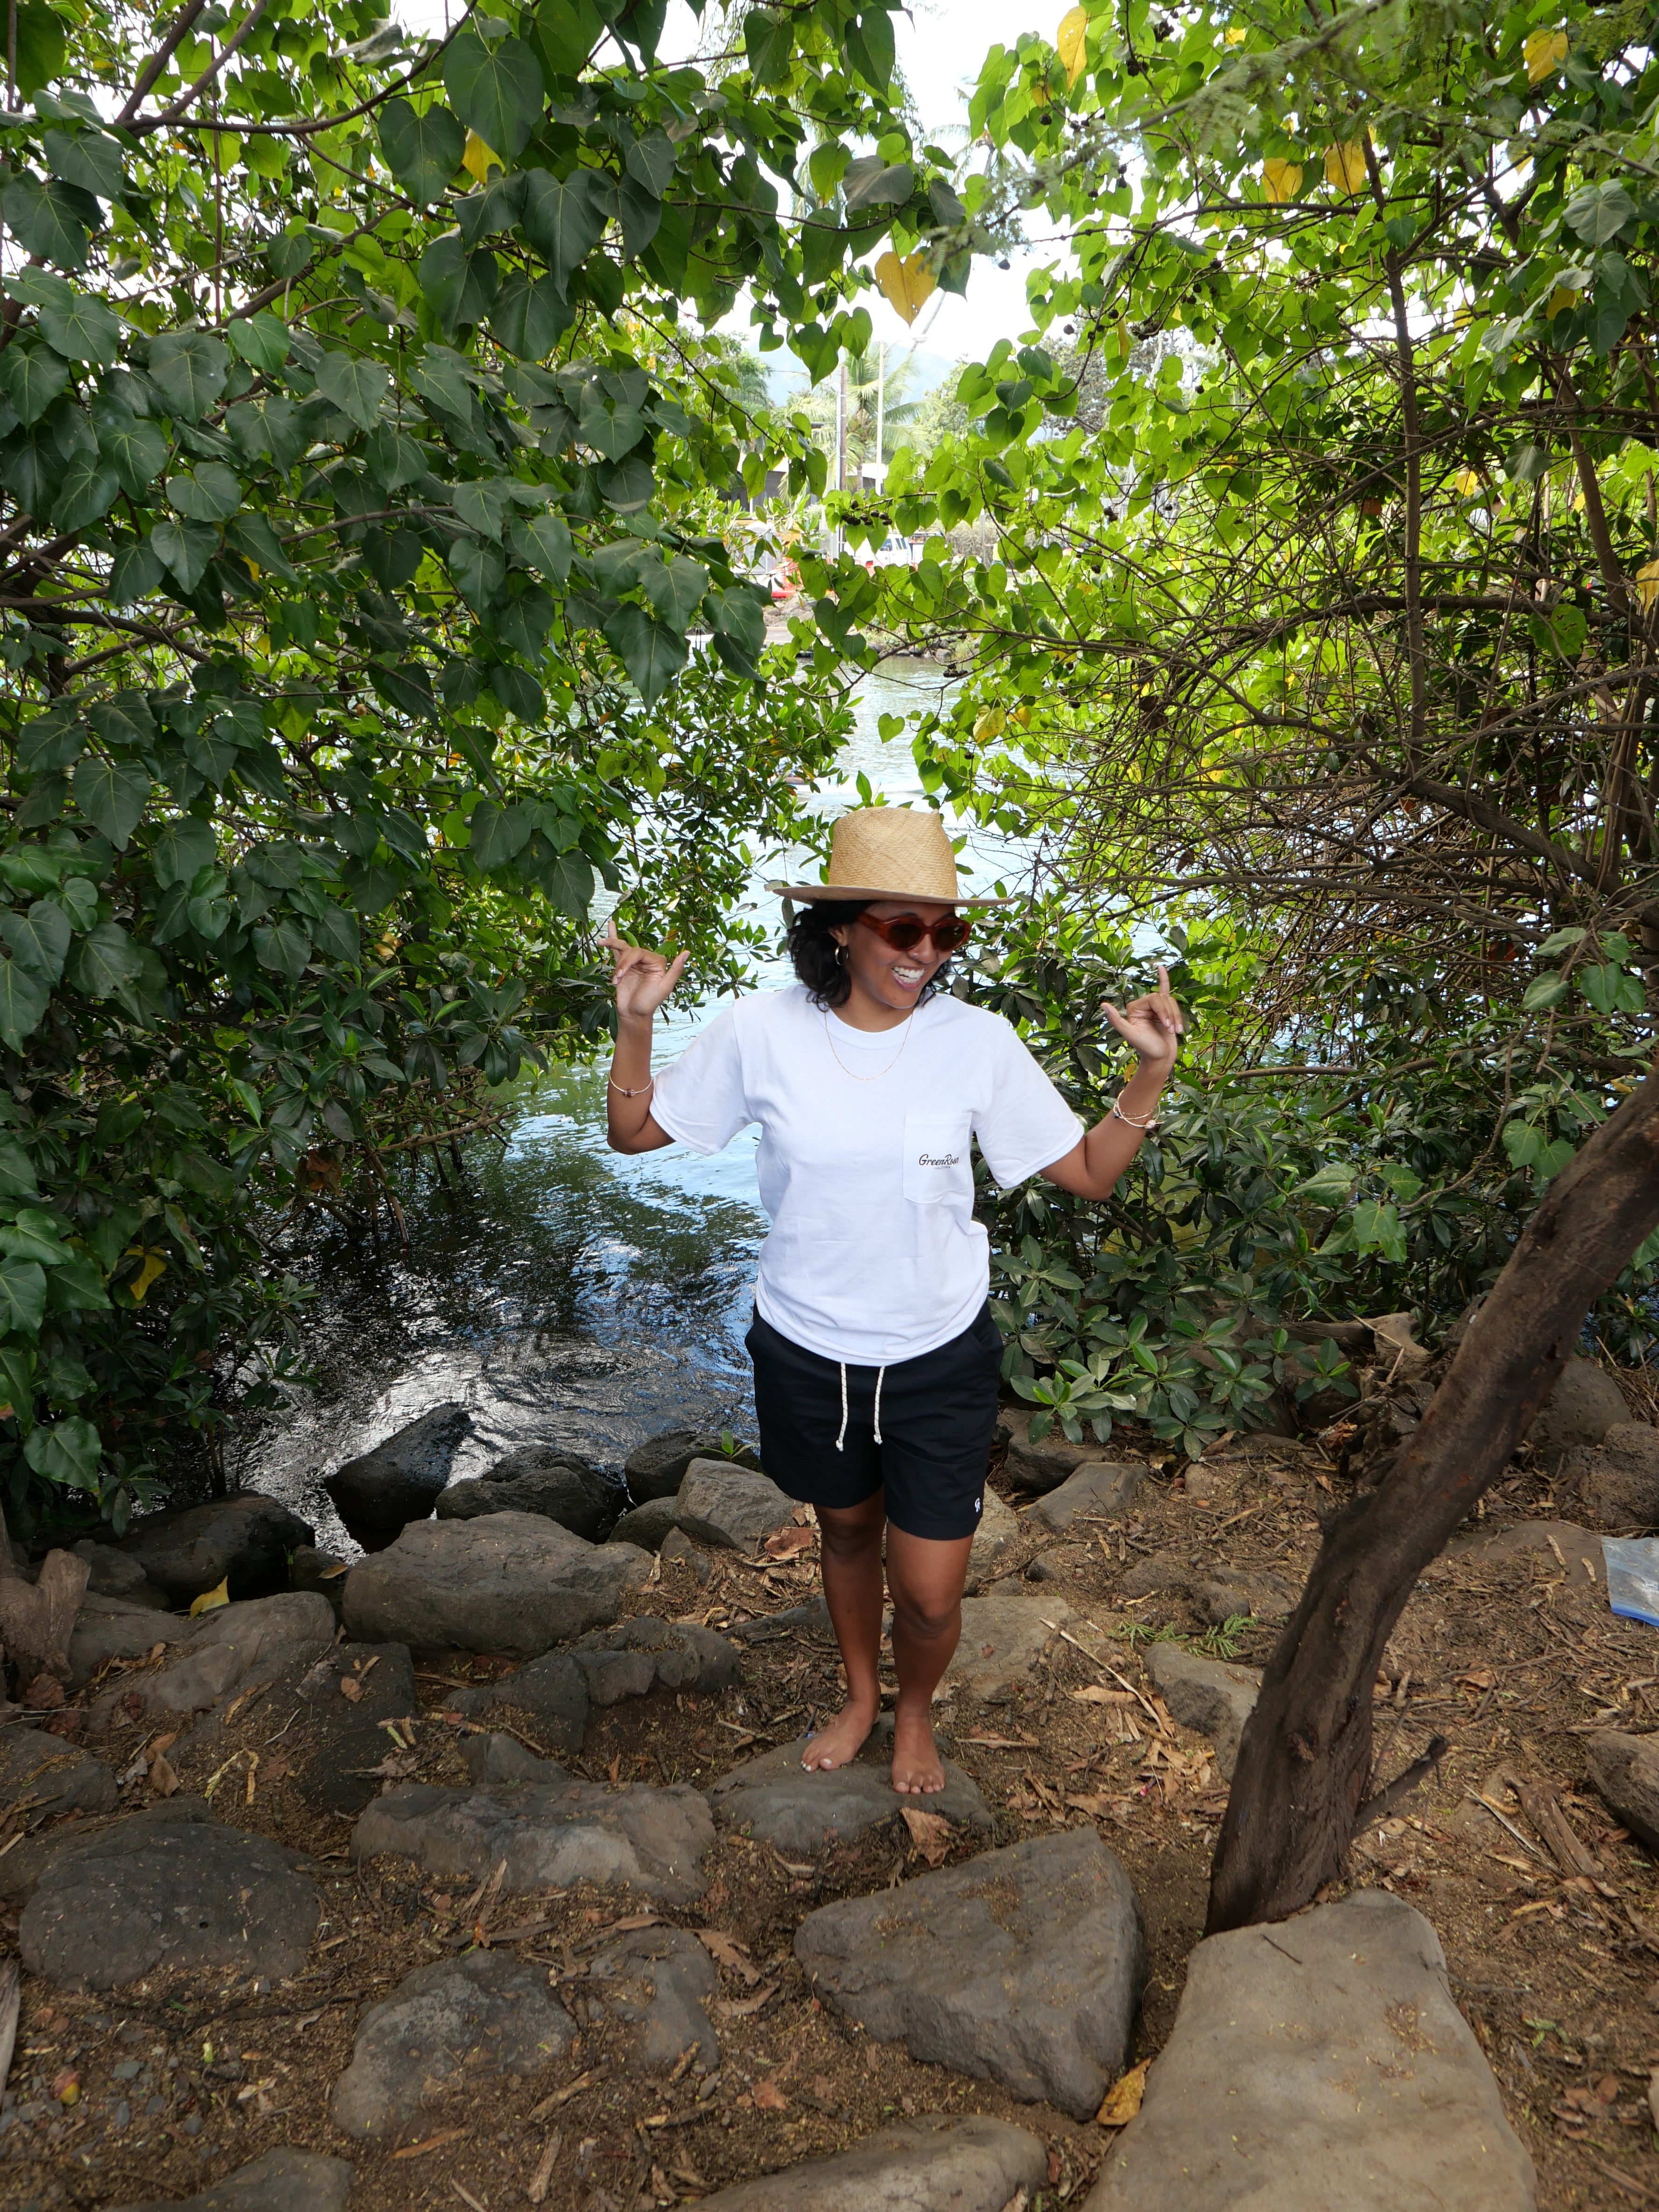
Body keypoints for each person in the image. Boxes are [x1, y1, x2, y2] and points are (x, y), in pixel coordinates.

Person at [603, 806, 1183, 1796]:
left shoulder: (977, 1042)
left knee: (926, 1587)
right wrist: (637, 1023)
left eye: (945, 932)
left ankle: (916, 1710)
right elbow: (638, 1134)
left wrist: (1150, 1070)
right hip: (807, 1348)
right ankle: (864, 1697)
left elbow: (1088, 1171)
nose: (926, 953)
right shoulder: (762, 1030)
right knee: (846, 1534)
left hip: (936, 1355)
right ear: (840, 927)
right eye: (902, 929)